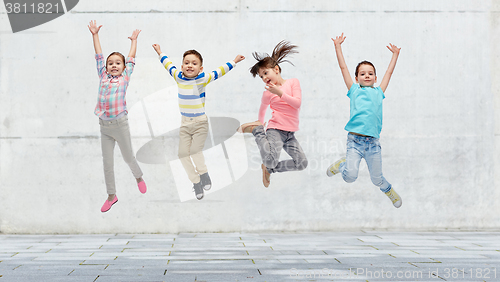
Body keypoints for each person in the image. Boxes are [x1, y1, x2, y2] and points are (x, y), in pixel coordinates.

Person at [152, 43, 245, 200]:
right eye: (187, 63)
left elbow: (219, 72)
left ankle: (204, 174)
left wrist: (234, 61)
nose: (190, 66)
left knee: (195, 151)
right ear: (181, 66)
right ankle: (196, 182)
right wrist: (160, 52)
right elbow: (168, 65)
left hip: (200, 123)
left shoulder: (203, 78)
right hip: (185, 124)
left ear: (200, 68)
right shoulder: (178, 77)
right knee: (182, 154)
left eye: (194, 64)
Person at [326, 33, 402, 208]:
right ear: (357, 78)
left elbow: (389, 72)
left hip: (373, 144)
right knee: (350, 177)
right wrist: (338, 47)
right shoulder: (354, 91)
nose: (366, 76)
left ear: (375, 78)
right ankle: (342, 165)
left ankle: (388, 190)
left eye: (370, 73)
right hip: (355, 141)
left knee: (377, 179)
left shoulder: (379, 92)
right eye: (362, 73)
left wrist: (395, 55)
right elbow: (343, 68)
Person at [88, 20, 146, 212]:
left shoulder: (125, 77)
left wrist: (134, 41)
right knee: (107, 163)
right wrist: (95, 35)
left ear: (123, 67)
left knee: (128, 157)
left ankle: (138, 176)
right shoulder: (102, 76)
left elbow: (131, 57)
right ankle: (111, 195)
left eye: (117, 63)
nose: (114, 66)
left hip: (120, 124)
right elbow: (98, 55)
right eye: (110, 63)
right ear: (106, 67)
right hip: (104, 126)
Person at [237, 41, 308, 188]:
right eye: (261, 76)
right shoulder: (267, 93)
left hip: (290, 134)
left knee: (302, 163)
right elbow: (263, 108)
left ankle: (270, 169)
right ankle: (257, 132)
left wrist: (279, 93)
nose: (263, 78)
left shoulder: (293, 82)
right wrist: (259, 122)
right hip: (275, 130)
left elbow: (297, 103)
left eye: (265, 73)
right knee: (270, 159)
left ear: (276, 69)